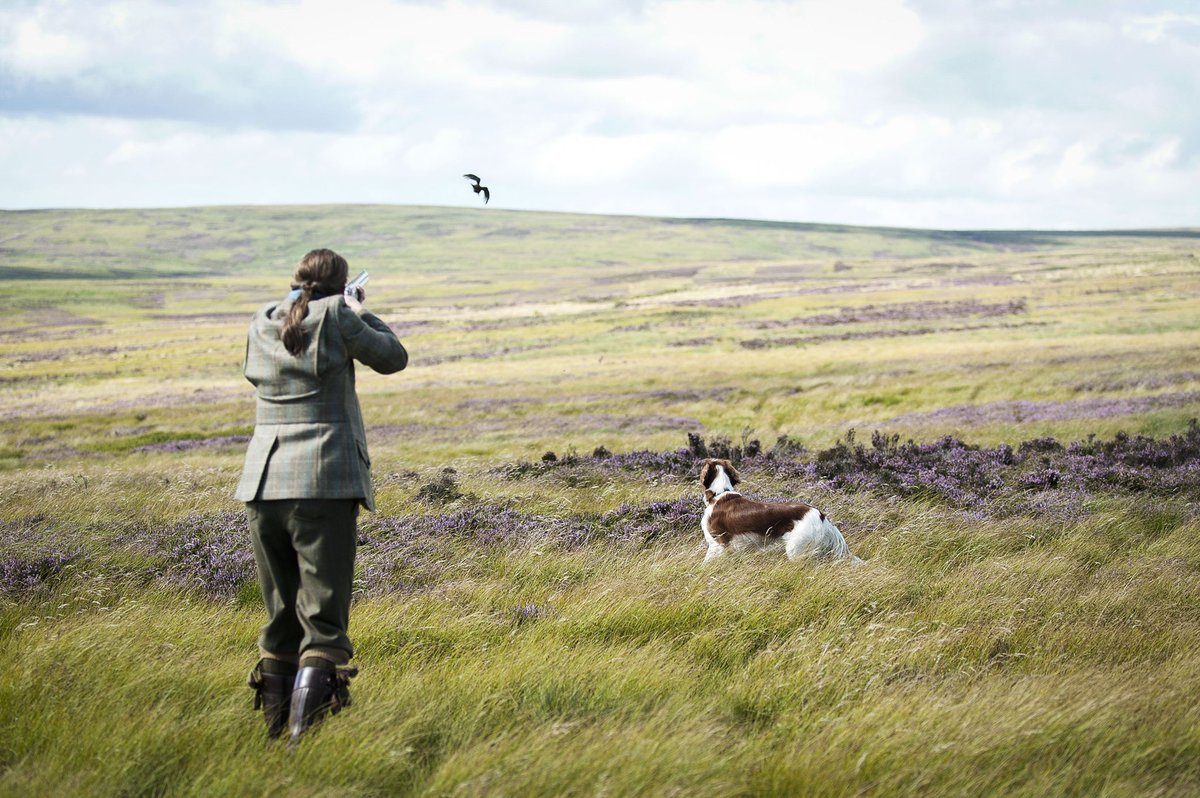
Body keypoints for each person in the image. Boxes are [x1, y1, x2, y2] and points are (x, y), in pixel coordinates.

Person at [237, 248, 407, 744]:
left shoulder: (262, 319)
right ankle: (301, 744)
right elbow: (393, 358)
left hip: (263, 483)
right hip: (323, 481)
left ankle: (273, 739)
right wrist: (358, 309)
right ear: (341, 285)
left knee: (281, 618)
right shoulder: (337, 315)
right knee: (324, 620)